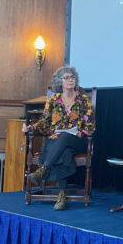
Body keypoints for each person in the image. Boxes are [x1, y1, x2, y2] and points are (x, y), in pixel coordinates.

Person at [22, 66, 95, 210]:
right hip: (56, 141)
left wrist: (83, 132)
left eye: (72, 77)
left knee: (65, 137)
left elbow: (90, 124)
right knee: (64, 151)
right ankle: (61, 196)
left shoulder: (83, 100)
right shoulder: (54, 100)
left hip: (77, 140)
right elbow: (44, 122)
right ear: (59, 81)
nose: (70, 80)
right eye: (66, 77)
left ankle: (43, 169)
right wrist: (30, 128)